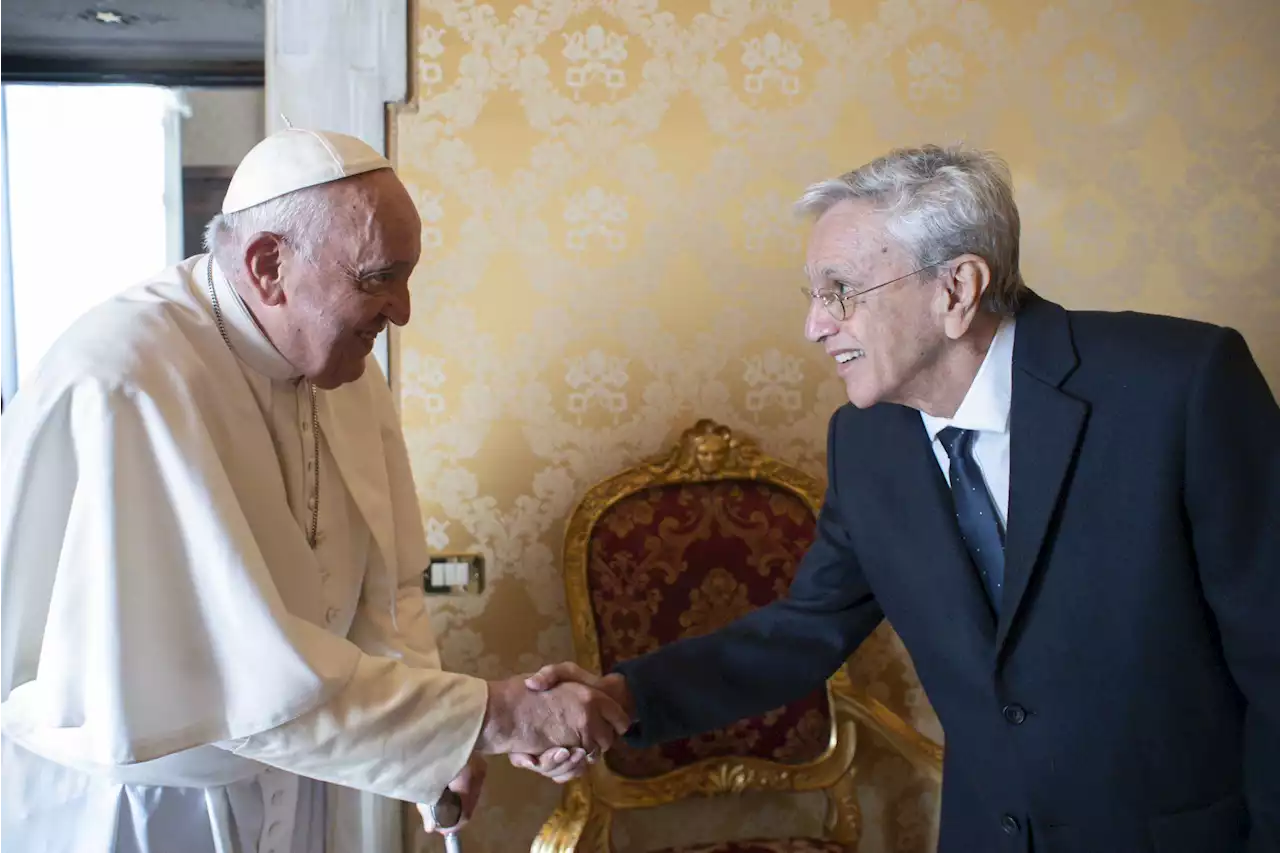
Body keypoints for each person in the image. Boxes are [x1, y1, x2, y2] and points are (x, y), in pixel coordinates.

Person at [515, 144, 1280, 851]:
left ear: (957, 287)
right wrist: (622, 696)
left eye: (839, 293)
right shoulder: (868, 441)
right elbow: (803, 631)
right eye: (815, 296)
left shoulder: (1178, 387)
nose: (815, 325)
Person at [0, 128, 627, 853]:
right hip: (143, 809)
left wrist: (437, 747)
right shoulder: (129, 380)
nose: (402, 311)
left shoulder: (343, 368)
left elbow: (385, 593)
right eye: (378, 277)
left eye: (407, 277)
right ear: (270, 265)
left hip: (301, 784)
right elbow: (226, 669)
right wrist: (492, 715)